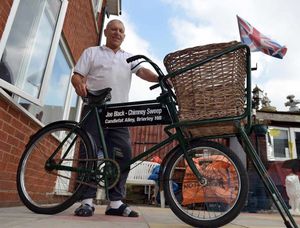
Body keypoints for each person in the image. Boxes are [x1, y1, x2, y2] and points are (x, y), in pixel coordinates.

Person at [71, 19, 158, 217]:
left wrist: (160, 79)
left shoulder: (129, 58)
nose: (117, 33)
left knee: (123, 155)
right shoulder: (92, 52)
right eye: (114, 29)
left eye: (121, 31)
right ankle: (86, 201)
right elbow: (76, 75)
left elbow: (142, 71)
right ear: (106, 32)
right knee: (90, 154)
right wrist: (78, 84)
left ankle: (116, 203)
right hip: (95, 110)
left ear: (124, 35)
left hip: (120, 114)